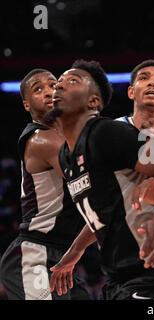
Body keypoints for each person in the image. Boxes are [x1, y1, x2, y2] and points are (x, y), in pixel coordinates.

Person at [46, 59, 154, 300]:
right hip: (119, 279)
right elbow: (104, 212)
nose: (58, 86)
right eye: (58, 82)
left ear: (93, 101)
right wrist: (74, 252)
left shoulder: (105, 133)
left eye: (71, 81)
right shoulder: (66, 155)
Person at [0, 69, 90, 300]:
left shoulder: (70, 137)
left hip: (62, 253)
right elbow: (92, 181)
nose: (49, 91)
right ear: (27, 105)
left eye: (53, 85)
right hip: (35, 252)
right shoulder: (42, 139)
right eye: (38, 89)